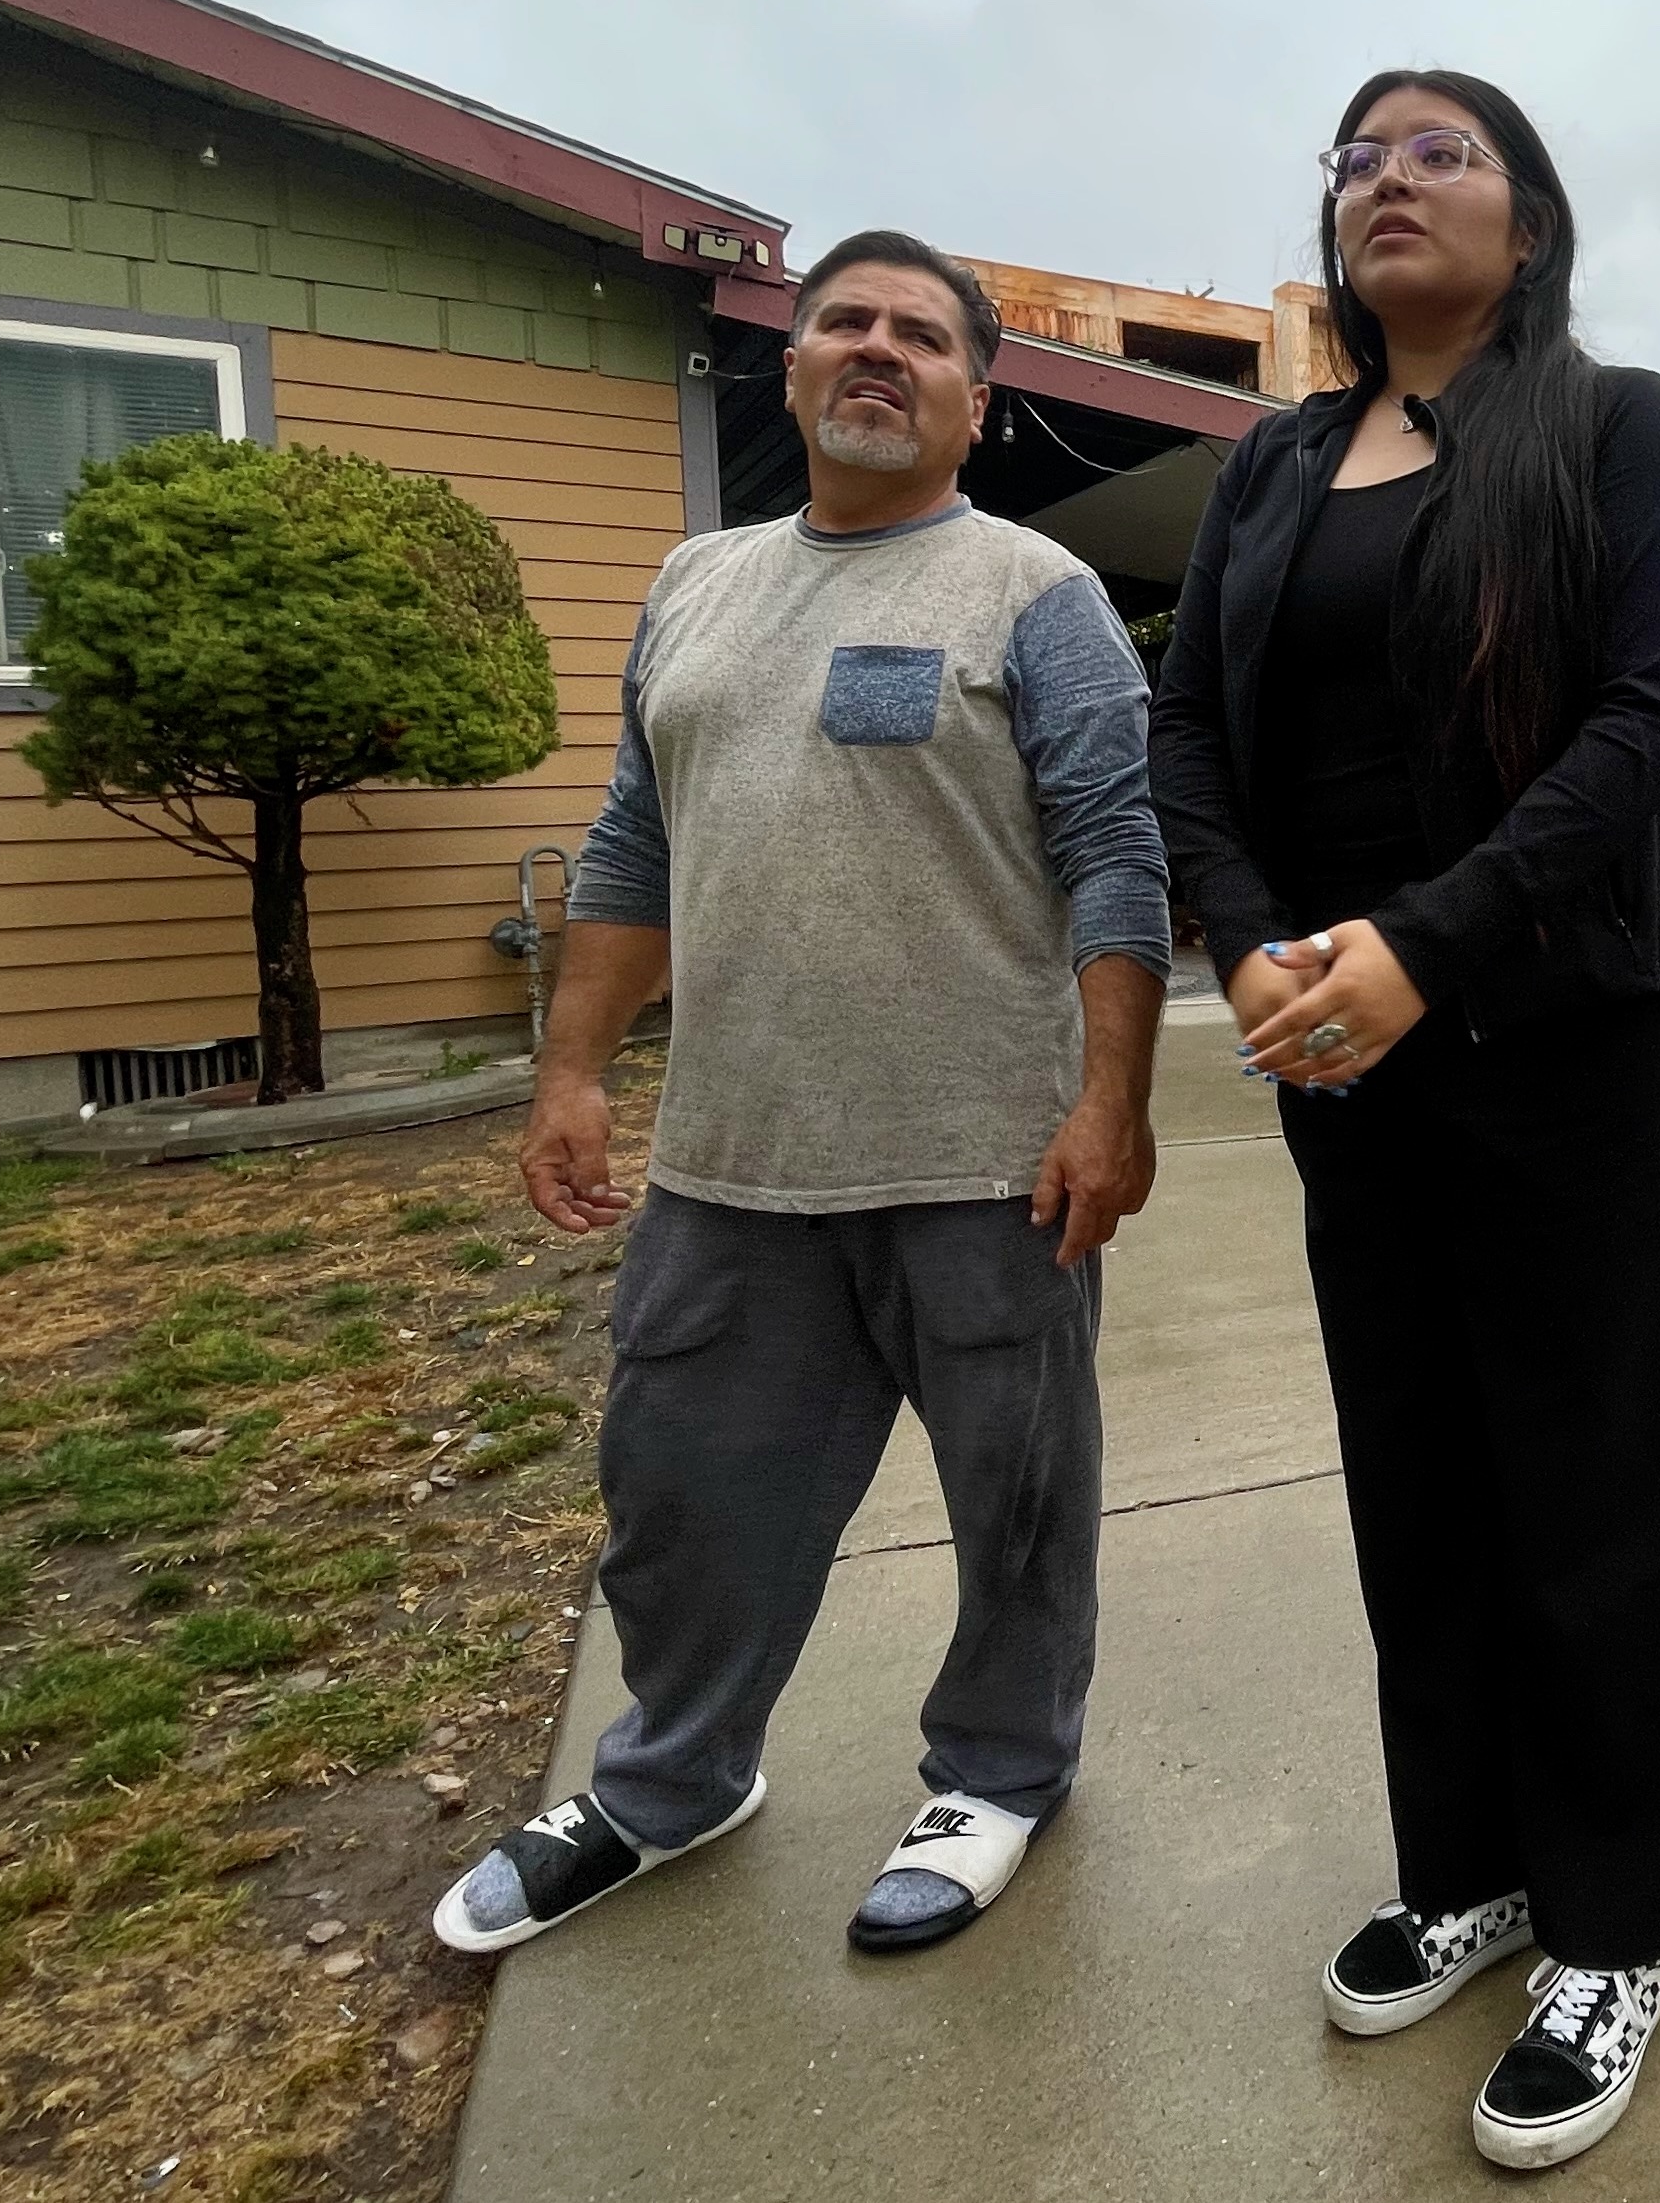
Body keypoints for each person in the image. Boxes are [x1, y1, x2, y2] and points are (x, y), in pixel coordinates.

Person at [431, 231, 1171, 1960]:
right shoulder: (694, 585)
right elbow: (633, 844)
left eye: (923, 334)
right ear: (793, 365)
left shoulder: (1034, 593)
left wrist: (1112, 1104)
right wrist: (571, 1072)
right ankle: (667, 1783)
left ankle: (1000, 1772)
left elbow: (1118, 855)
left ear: (975, 402)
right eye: (846, 321)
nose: (878, 349)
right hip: (732, 1162)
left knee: (1017, 1507)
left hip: (985, 1167)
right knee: (681, 1498)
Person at [1149, 71, 1660, 2170]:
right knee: (1421, 1473)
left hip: (1566, 1035)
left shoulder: (1615, 430)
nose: (1388, 179)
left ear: (1529, 219)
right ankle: (1474, 1864)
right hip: (1343, 1052)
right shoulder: (1277, 465)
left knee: (1605, 1488)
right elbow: (1189, 730)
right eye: (1360, 157)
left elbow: (1645, 730)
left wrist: (1422, 943)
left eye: (1441, 152)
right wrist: (1249, 951)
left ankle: (1621, 1922)